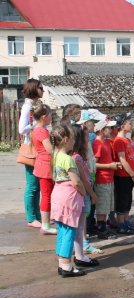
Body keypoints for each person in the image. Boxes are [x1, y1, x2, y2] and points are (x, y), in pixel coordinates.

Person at [50, 125, 86, 277]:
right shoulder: (68, 159)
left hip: (58, 195)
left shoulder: (55, 155)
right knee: (69, 232)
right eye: (72, 138)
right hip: (69, 199)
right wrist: (84, 192)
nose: (73, 141)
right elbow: (76, 182)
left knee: (62, 231)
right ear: (65, 140)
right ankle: (67, 267)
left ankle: (62, 263)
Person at [69, 125, 100, 267]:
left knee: (79, 227)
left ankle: (78, 254)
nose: (89, 140)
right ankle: (79, 256)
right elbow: (84, 181)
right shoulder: (78, 158)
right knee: (79, 227)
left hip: (79, 195)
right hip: (82, 194)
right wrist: (93, 194)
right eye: (87, 138)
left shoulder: (75, 156)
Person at [18, 79, 43, 229]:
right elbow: (22, 129)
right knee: (32, 185)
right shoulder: (27, 107)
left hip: (36, 148)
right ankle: (31, 217)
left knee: (37, 185)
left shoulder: (33, 106)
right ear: (34, 89)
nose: (43, 91)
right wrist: (36, 123)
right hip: (31, 149)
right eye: (41, 88)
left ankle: (38, 215)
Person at [32, 103, 57, 235]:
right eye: (50, 115)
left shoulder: (40, 129)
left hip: (44, 165)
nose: (51, 117)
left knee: (47, 194)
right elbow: (50, 150)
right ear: (43, 117)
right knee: (46, 195)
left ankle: (47, 221)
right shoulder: (41, 131)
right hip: (45, 166)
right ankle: (45, 225)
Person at [92, 119, 120, 239]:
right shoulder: (97, 144)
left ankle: (104, 227)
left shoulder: (106, 142)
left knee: (107, 206)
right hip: (102, 180)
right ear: (102, 130)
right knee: (102, 207)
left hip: (109, 179)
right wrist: (109, 166)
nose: (111, 130)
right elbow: (94, 164)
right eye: (108, 128)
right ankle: (101, 230)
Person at [113, 115, 134, 234]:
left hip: (129, 175)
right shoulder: (119, 141)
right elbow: (122, 160)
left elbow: (132, 158)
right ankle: (121, 224)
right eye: (129, 123)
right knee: (122, 200)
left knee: (128, 199)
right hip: (123, 176)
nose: (131, 124)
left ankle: (126, 222)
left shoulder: (127, 140)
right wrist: (132, 174)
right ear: (122, 126)